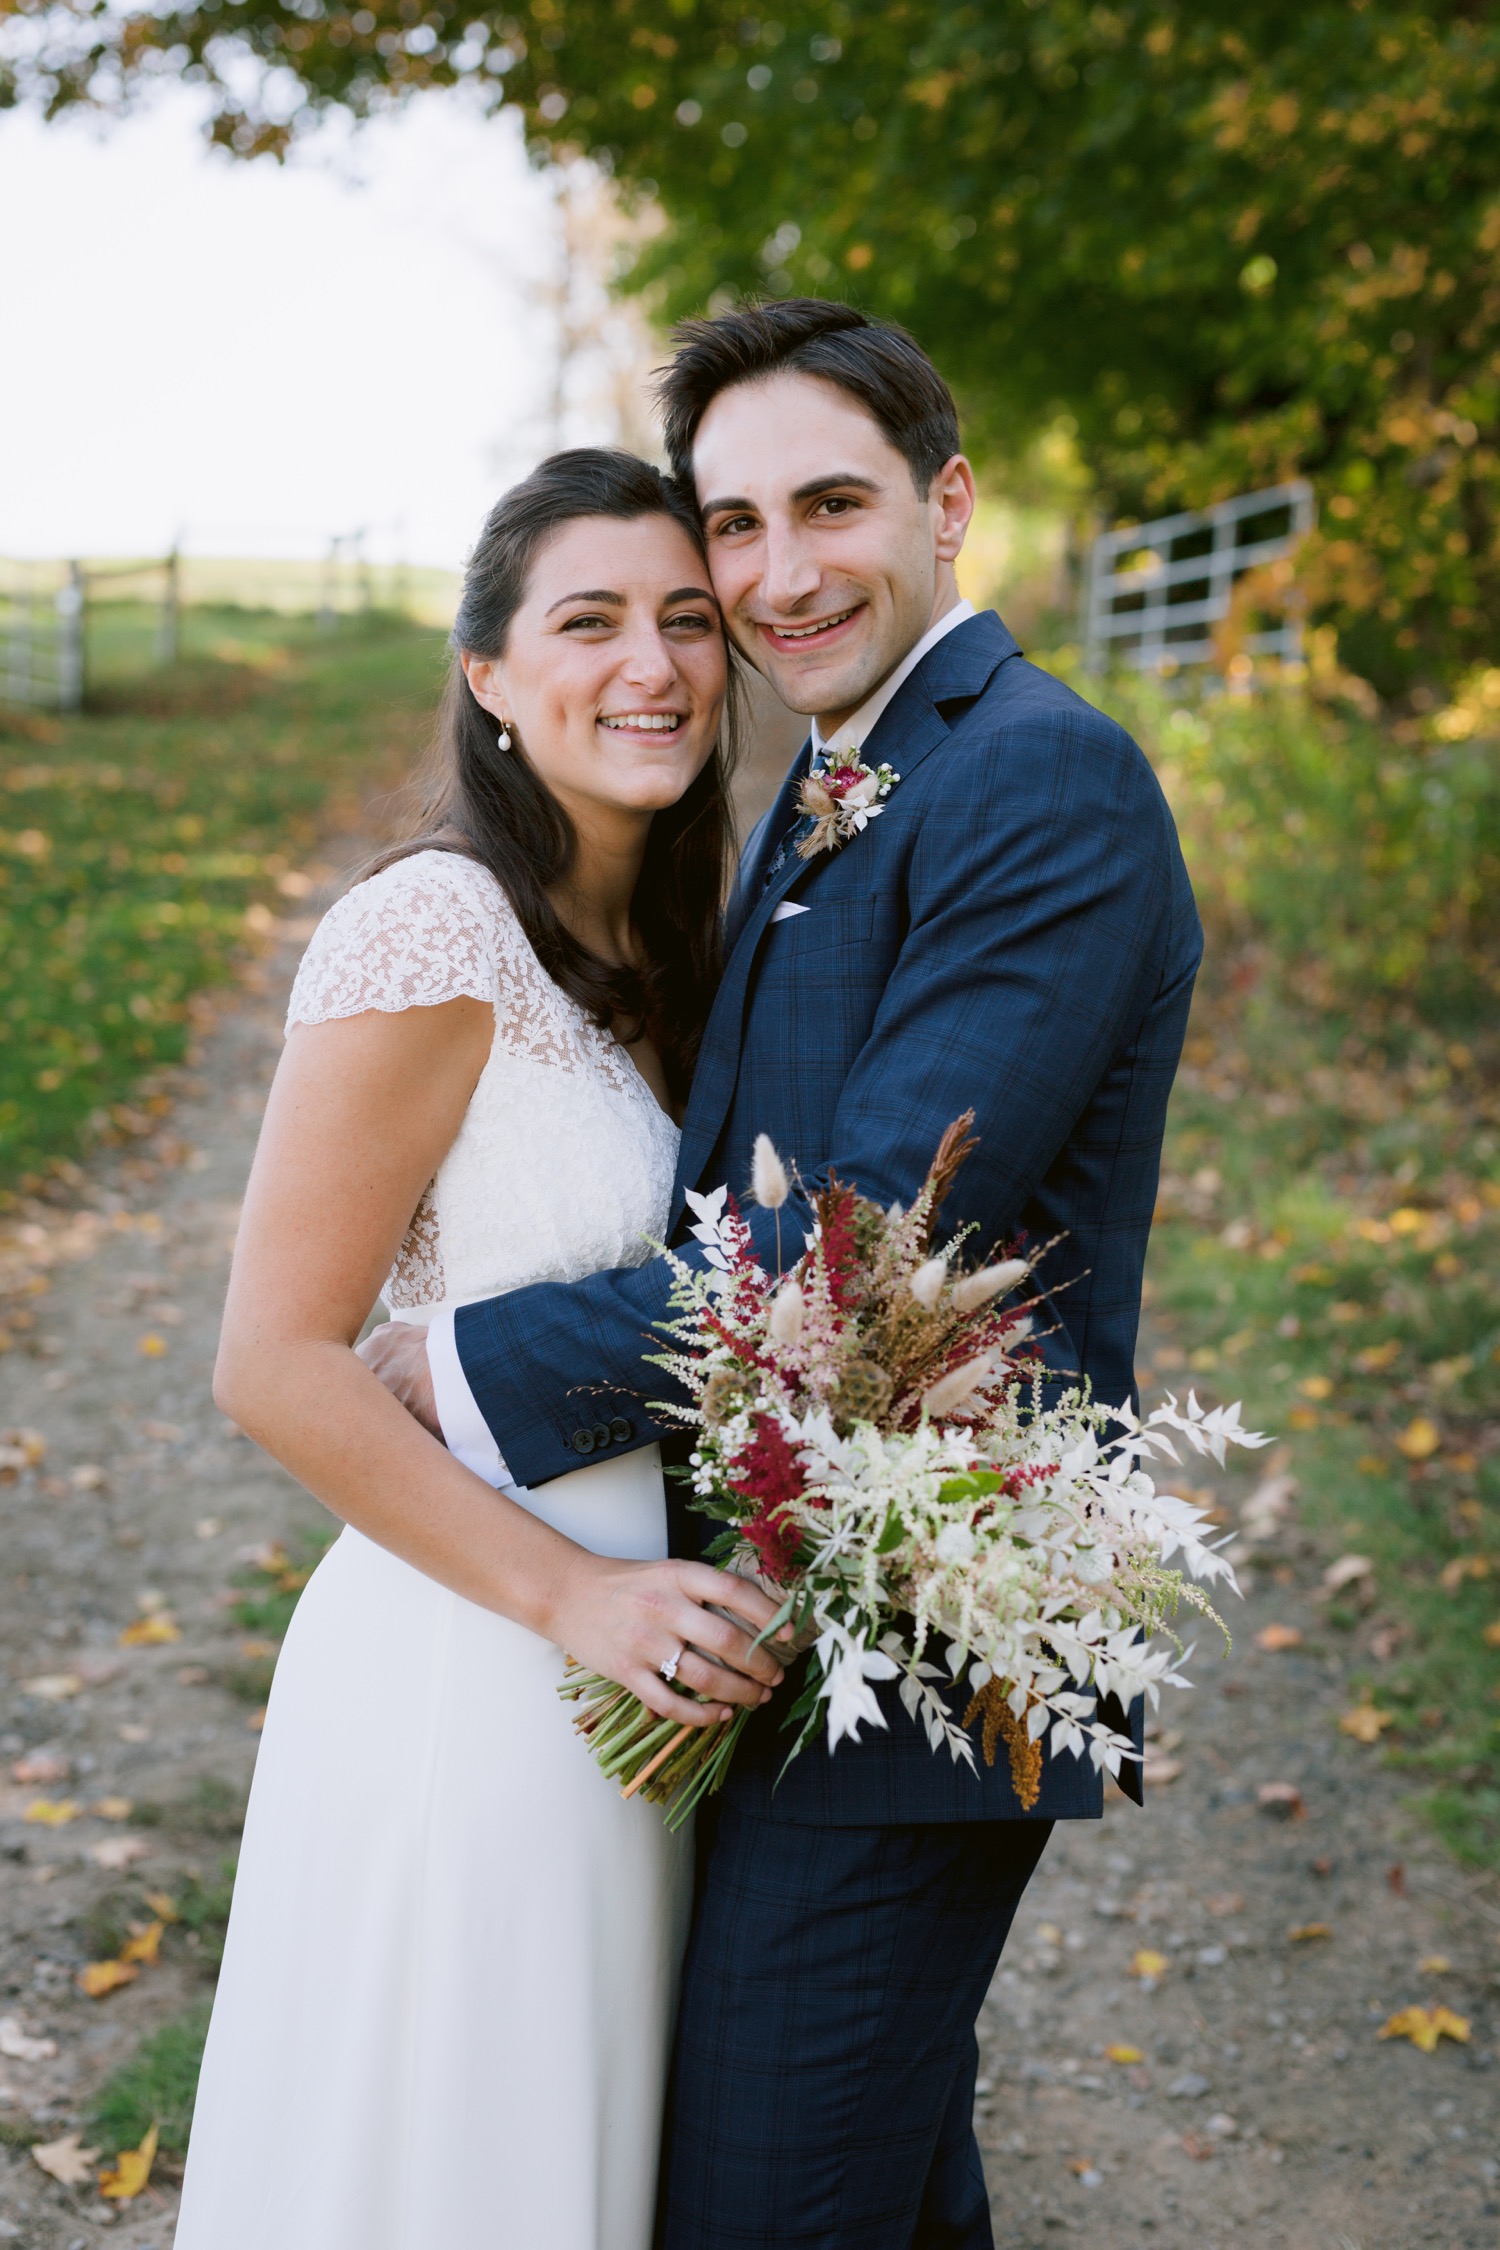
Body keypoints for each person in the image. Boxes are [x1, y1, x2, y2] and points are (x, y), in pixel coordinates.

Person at [368, 299, 1202, 2250]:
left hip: (911, 1645)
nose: (777, 570)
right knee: (870, 2194)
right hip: (790, 1630)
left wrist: (469, 1371)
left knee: (757, 2202)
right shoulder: (846, 781)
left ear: (950, 500)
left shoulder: (1036, 782)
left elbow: (853, 1245)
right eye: (732, 524)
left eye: (830, 502)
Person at [173, 449, 789, 2250]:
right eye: (587, 621)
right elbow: (274, 1359)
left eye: (687, 619)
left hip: (635, 1679)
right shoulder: (436, 924)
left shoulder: (670, 934)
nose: (654, 663)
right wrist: (569, 1602)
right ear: (492, 680)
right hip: (477, 1656)